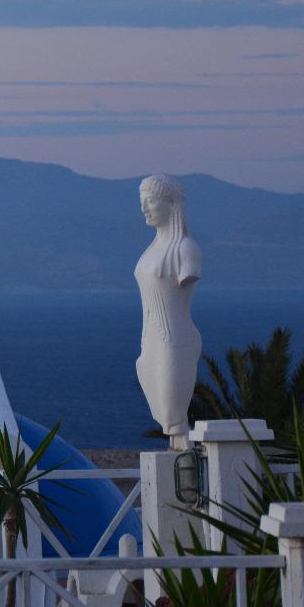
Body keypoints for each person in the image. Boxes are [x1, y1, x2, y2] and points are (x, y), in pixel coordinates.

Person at [134, 174, 203, 439]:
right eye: (143, 202)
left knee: (174, 416)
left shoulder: (185, 250)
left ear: (171, 203)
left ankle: (183, 460)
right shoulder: (151, 250)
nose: (144, 208)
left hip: (175, 340)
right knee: (163, 411)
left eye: (150, 201)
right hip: (151, 340)